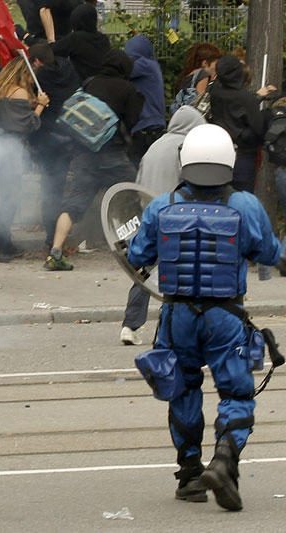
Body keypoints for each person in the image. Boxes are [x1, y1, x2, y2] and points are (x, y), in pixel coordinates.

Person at [127, 124, 283, 511]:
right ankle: (225, 457)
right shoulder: (244, 205)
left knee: (182, 389)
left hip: (177, 314)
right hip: (226, 316)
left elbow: (137, 257)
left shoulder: (161, 205)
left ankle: (191, 475)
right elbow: (269, 252)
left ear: (185, 161)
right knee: (235, 393)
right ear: (229, 160)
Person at [45, 49, 143, 271]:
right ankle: (135, 252)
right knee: (133, 198)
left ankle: (55, 252)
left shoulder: (90, 83)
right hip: (114, 155)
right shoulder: (128, 89)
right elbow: (133, 121)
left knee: (72, 205)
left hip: (84, 154)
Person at [119, 105, 206, 346]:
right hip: (178, 214)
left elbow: (137, 182)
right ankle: (183, 327)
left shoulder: (155, 146)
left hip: (151, 212)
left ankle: (130, 324)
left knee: (146, 272)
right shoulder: (187, 147)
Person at [0, 55, 49, 261]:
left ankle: (3, 240)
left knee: (6, 195)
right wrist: (41, 106)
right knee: (10, 197)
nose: (31, 80)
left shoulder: (1, 90)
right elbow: (27, 125)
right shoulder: (19, 92)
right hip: (11, 151)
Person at [27, 42, 80, 248]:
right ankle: (61, 235)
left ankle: (52, 237)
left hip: (47, 139)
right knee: (60, 187)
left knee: (50, 189)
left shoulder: (40, 78)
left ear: (37, 61)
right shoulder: (69, 69)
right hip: (68, 135)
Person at [209, 55, 277, 193]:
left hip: (220, 150)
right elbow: (258, 128)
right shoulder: (245, 98)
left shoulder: (215, 91)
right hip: (243, 154)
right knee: (242, 195)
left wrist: (256, 97)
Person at [124, 34, 166, 168]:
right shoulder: (152, 65)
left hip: (147, 127)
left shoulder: (145, 65)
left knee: (137, 170)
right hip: (152, 126)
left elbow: (122, 69)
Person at [51, 3, 110, 81]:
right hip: (103, 80)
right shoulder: (103, 38)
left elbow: (53, 50)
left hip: (83, 82)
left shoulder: (76, 38)